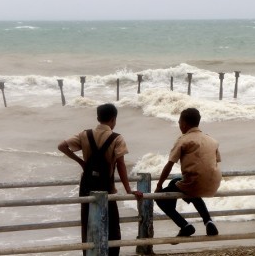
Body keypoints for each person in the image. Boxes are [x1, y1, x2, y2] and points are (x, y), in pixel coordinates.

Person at [58, 103, 143, 256]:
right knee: (112, 226)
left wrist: (81, 162)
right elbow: (121, 164)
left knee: (88, 223)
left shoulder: (85, 134)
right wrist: (129, 189)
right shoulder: (117, 138)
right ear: (114, 119)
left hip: (87, 185)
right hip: (106, 186)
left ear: (98, 118)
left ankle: (89, 253)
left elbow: (62, 146)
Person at [155, 107, 222, 238]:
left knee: (160, 198)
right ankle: (208, 221)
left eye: (179, 122)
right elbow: (216, 161)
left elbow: (169, 165)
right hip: (214, 182)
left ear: (184, 123)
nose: (179, 125)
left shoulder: (183, 140)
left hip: (194, 182)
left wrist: (158, 186)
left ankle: (185, 226)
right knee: (178, 182)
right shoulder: (212, 140)